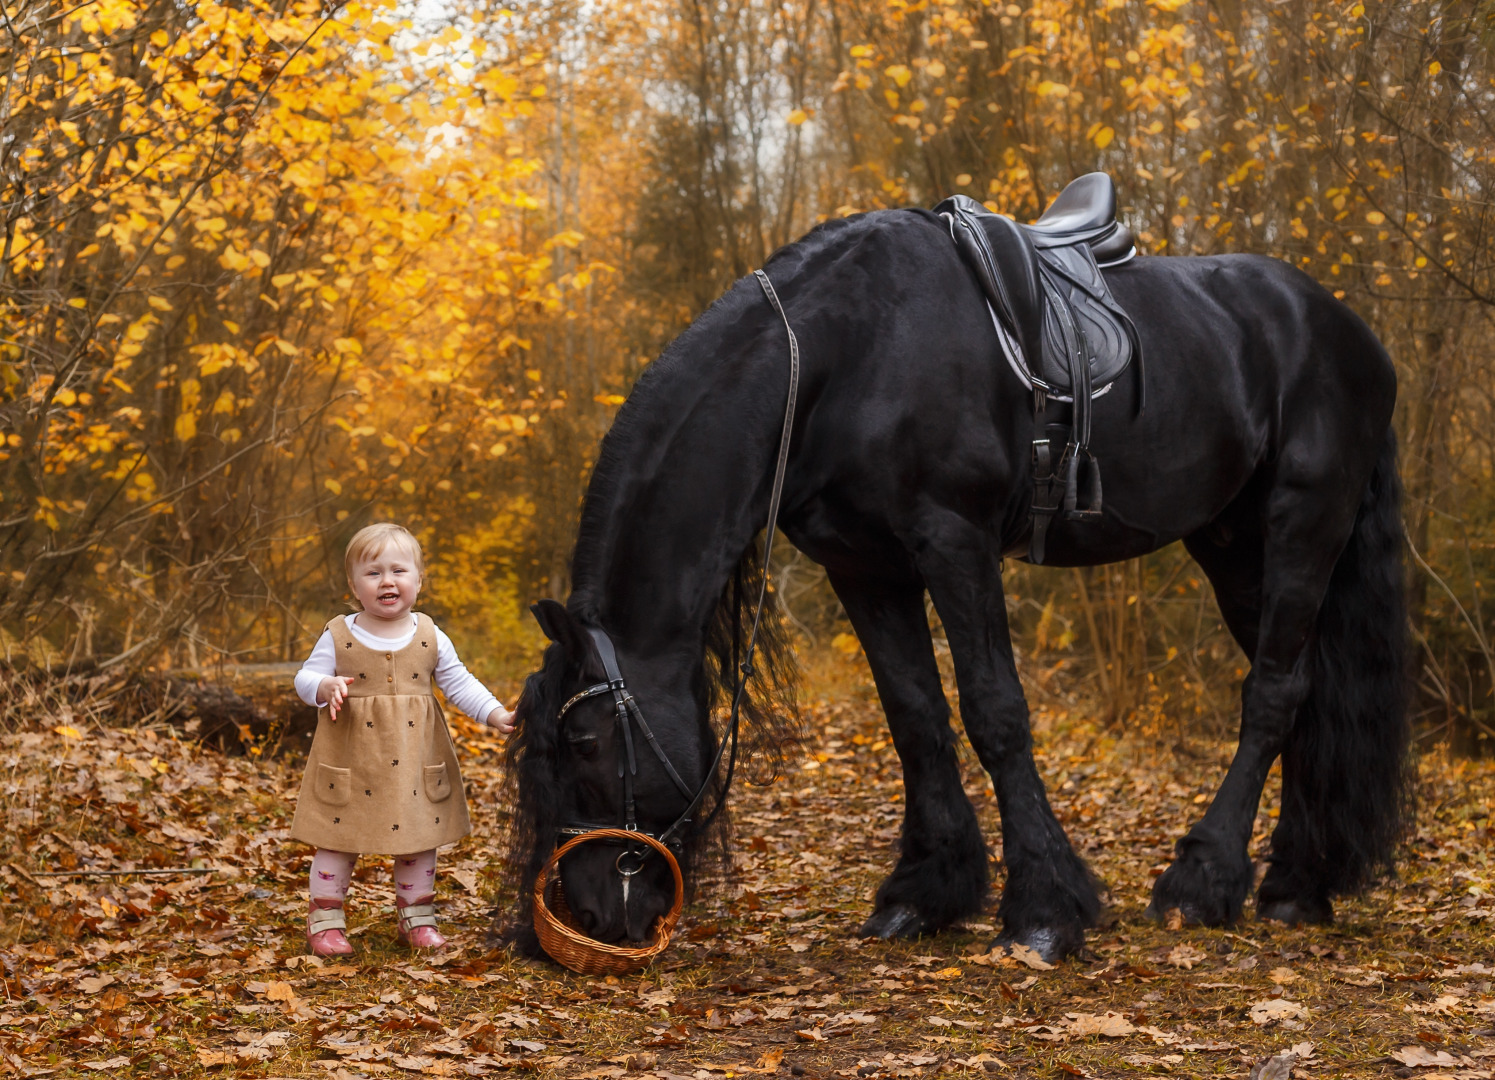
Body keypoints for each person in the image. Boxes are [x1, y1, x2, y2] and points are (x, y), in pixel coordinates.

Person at [290, 522, 513, 956]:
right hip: (351, 757)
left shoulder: (430, 634)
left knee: (417, 836)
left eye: (399, 571)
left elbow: (459, 683)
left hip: (414, 760)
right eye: (373, 573)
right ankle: (326, 920)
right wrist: (323, 687)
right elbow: (304, 676)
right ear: (353, 586)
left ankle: (417, 917)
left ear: (418, 581)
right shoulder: (339, 633)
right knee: (338, 835)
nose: (387, 581)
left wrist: (495, 713)